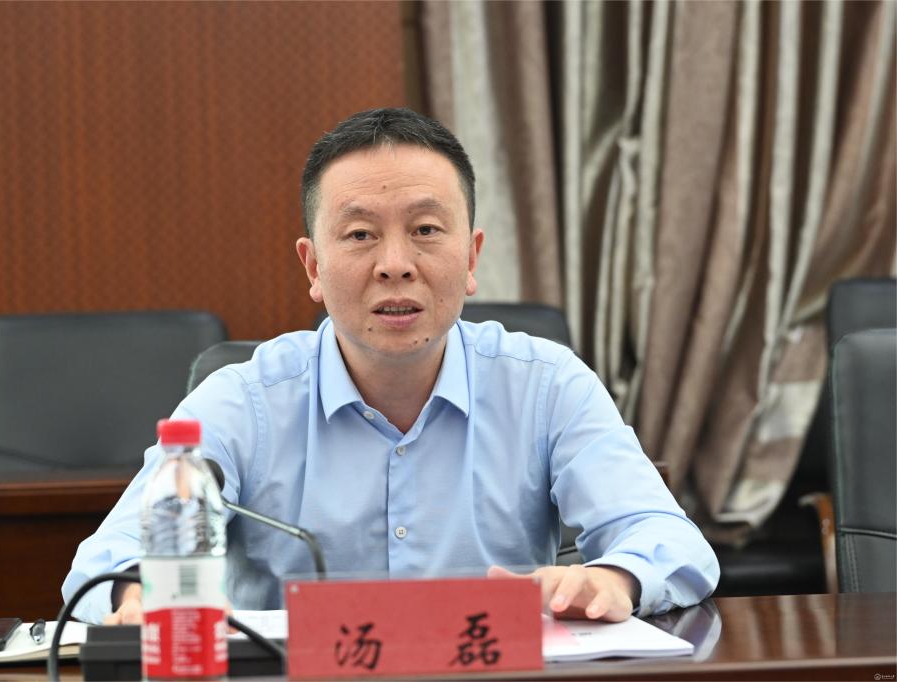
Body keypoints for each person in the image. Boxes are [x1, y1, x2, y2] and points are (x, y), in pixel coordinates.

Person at [63, 107, 719, 626]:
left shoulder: (546, 385)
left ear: (472, 257)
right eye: (360, 235)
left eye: (426, 230)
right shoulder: (240, 402)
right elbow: (104, 564)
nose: (396, 264)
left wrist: (614, 578)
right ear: (313, 266)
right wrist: (136, 597)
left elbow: (667, 537)